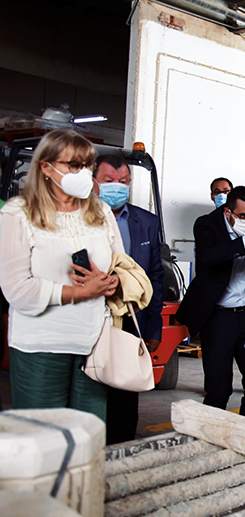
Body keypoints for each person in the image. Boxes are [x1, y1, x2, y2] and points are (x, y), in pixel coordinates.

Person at [0, 129, 123, 422]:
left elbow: (121, 266)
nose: (84, 173)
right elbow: (16, 289)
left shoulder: (101, 212)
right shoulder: (19, 213)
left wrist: (110, 283)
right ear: (45, 167)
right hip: (40, 348)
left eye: (88, 165)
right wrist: (79, 293)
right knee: (43, 439)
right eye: (74, 165)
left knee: (89, 436)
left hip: (93, 345)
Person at [176, 186, 245, 415]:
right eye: (243, 217)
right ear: (228, 212)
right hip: (218, 317)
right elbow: (209, 259)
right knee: (219, 388)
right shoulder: (207, 225)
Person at [93, 154, 164, 444]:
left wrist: (154, 327)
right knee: (94, 388)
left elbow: (155, 277)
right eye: (109, 181)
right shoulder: (85, 219)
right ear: (94, 181)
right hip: (94, 318)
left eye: (123, 182)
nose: (117, 187)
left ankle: (122, 450)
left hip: (133, 318)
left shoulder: (146, 222)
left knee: (125, 392)